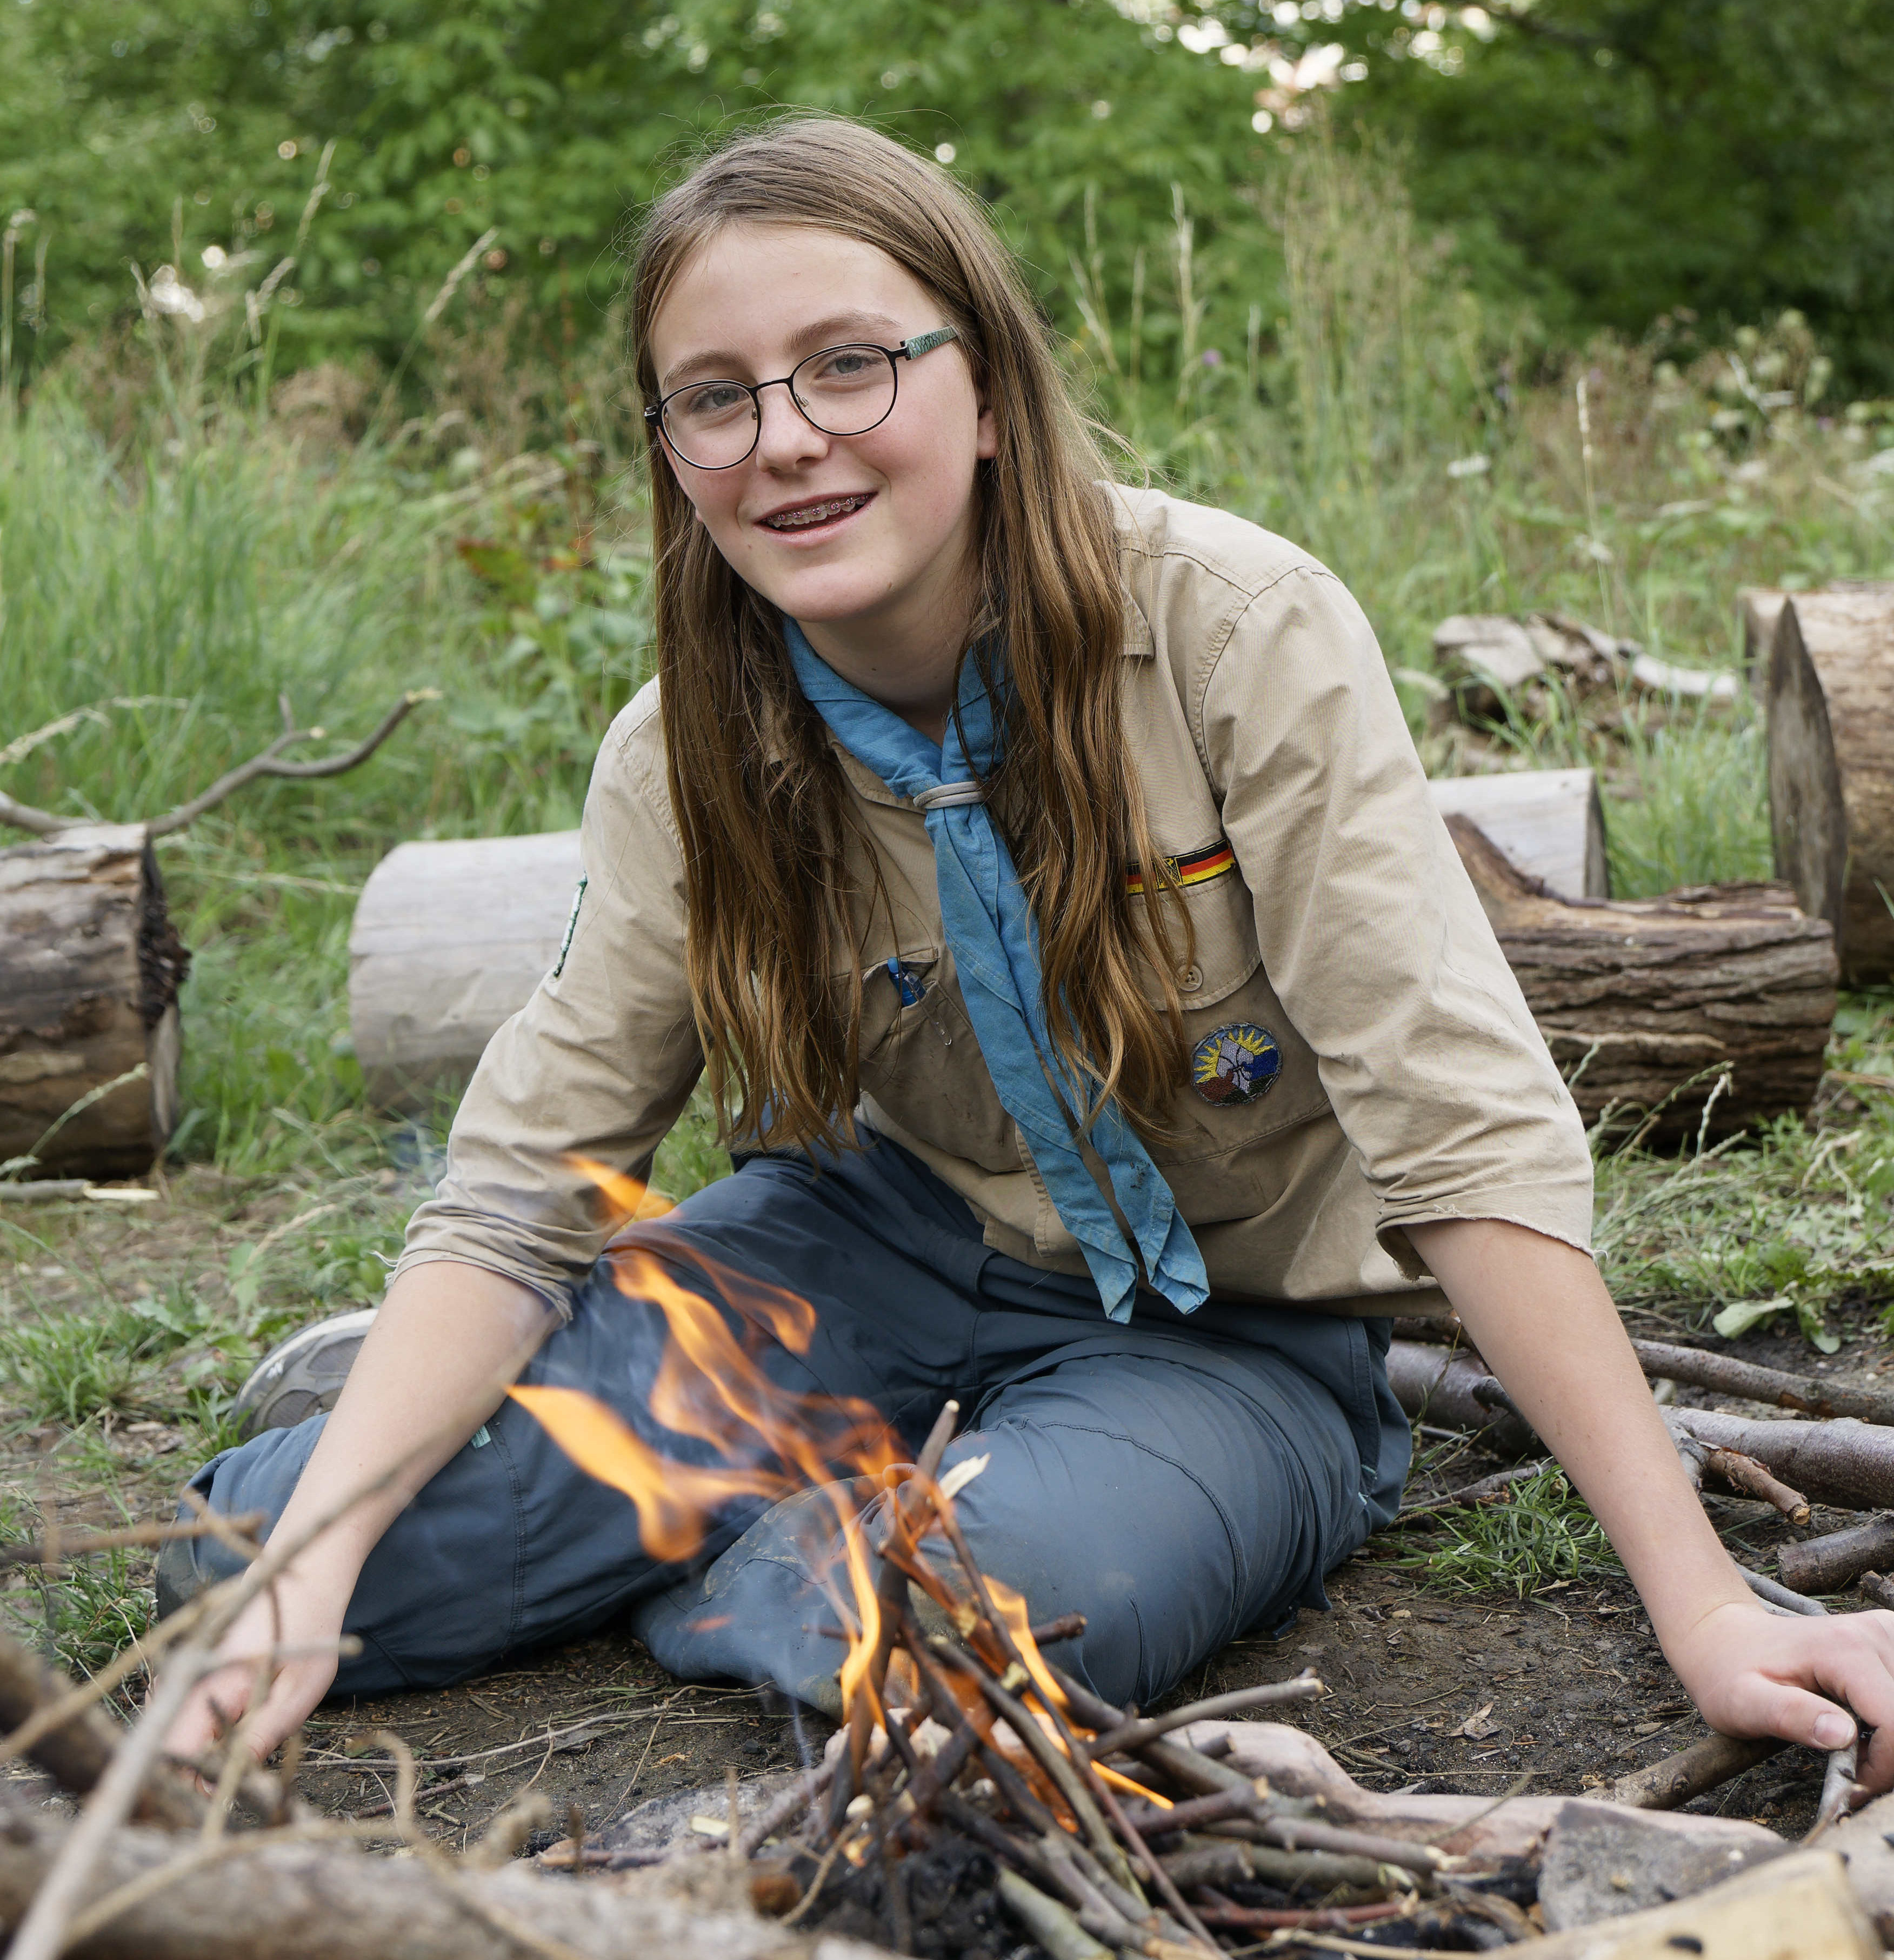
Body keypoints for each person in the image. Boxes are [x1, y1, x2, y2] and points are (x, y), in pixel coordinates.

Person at [162, 115, 1894, 1788]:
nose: (786, 437)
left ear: (983, 384)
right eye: (716, 398)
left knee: (957, 1623)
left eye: (852, 363)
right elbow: (522, 1187)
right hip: (864, 1259)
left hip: (1233, 1330)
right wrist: (314, 1566)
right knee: (255, 1556)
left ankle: (825, 1527)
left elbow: (1458, 1126)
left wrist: (1706, 1601)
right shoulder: (682, 751)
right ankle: (751, 1483)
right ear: (673, 452)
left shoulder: (1235, 635)